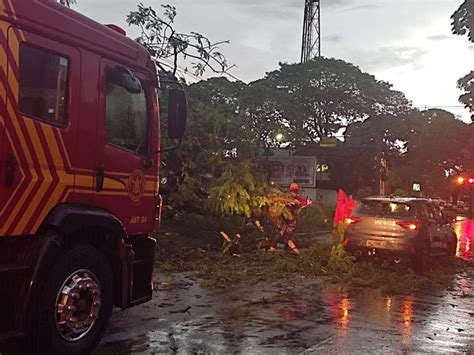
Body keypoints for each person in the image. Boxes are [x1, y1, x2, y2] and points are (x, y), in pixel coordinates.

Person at [273, 183, 312, 255]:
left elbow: (305, 202)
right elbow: (276, 199)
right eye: (294, 191)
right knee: (282, 235)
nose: (295, 193)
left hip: (291, 222)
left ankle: (295, 252)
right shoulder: (287, 197)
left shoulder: (298, 199)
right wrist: (290, 201)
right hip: (284, 221)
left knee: (285, 236)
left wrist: (308, 202)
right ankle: (294, 251)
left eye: (295, 192)